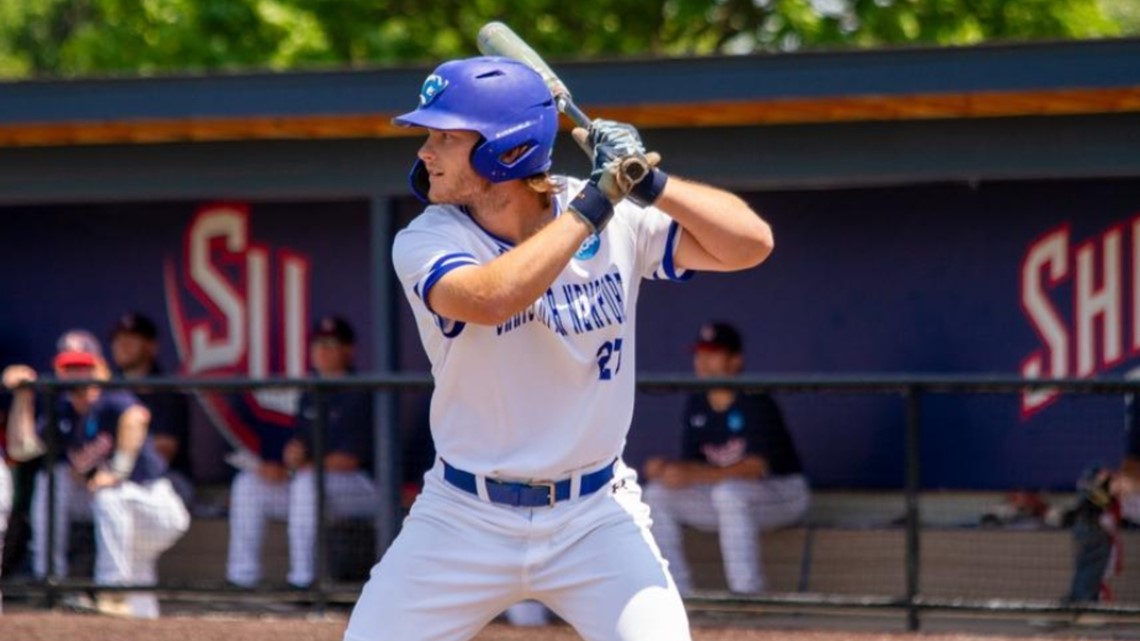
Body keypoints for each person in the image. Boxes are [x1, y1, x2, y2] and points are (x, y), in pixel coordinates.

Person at [342, 56, 774, 641]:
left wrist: (653, 186)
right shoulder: (428, 237)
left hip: (595, 515)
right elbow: (491, 297)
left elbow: (751, 245)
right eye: (429, 135)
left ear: (508, 148)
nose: (426, 151)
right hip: (465, 513)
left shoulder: (613, 217)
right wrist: (593, 208)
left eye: (446, 136)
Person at [2, 330, 190, 618]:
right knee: (52, 480)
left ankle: (111, 591)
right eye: (69, 368)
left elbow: (136, 418)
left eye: (84, 366)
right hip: (117, 519)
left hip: (153, 506)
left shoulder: (111, 398)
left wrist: (117, 470)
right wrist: (23, 397)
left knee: (108, 495)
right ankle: (51, 580)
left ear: (100, 368)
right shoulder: (63, 410)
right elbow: (22, 448)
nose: (77, 375)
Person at [642, 322, 809, 596]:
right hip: (730, 499)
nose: (703, 361)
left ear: (735, 360)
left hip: (783, 494)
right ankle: (678, 594)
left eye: (713, 353)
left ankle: (748, 594)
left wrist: (691, 474)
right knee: (657, 494)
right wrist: (668, 469)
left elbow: (755, 468)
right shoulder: (697, 402)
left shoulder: (755, 400)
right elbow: (696, 465)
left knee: (730, 494)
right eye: (700, 353)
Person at [226, 315, 377, 589]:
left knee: (307, 483)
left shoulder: (359, 392)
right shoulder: (311, 392)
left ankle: (303, 579)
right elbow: (303, 451)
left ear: (349, 350)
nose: (322, 350)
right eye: (318, 344)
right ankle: (241, 577)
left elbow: (349, 459)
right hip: (318, 487)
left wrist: (300, 469)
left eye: (331, 344)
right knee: (249, 484)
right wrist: (290, 461)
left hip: (364, 489)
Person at [108, 312, 194, 510]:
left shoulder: (168, 391)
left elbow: (163, 454)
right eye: (118, 339)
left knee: (119, 496)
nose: (122, 345)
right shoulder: (107, 390)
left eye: (131, 339)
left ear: (151, 346)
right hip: (115, 477)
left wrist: (120, 463)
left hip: (167, 479)